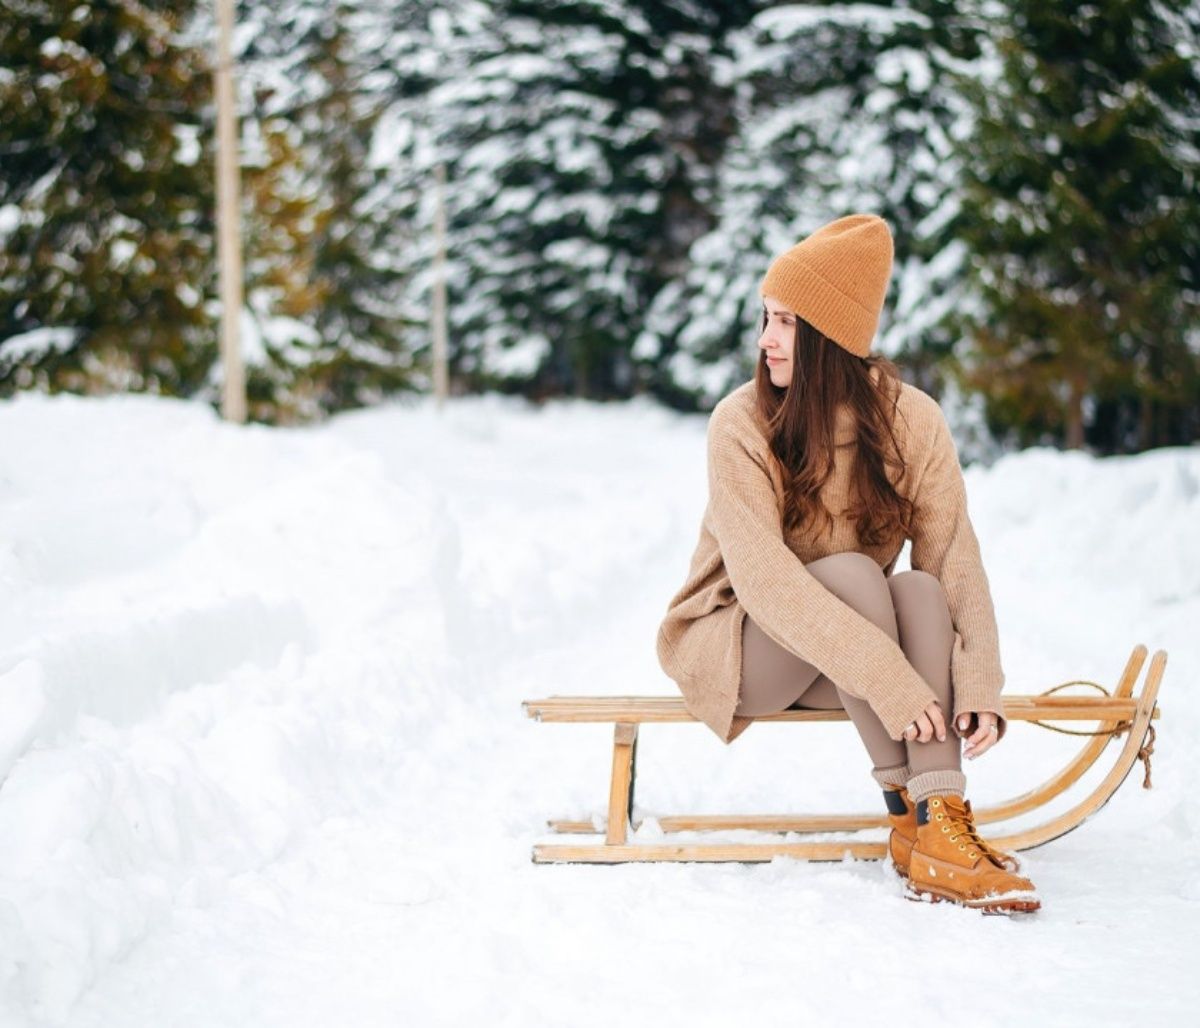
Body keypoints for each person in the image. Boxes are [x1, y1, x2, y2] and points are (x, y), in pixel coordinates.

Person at [655, 213, 1039, 914]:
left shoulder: (910, 421)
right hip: (742, 648)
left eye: (786, 323)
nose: (766, 340)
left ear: (832, 338)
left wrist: (978, 678)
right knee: (861, 575)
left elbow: (954, 556)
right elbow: (764, 582)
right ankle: (922, 820)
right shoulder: (741, 424)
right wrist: (888, 678)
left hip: (851, 658)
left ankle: (931, 824)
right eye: (765, 319)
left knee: (919, 590)